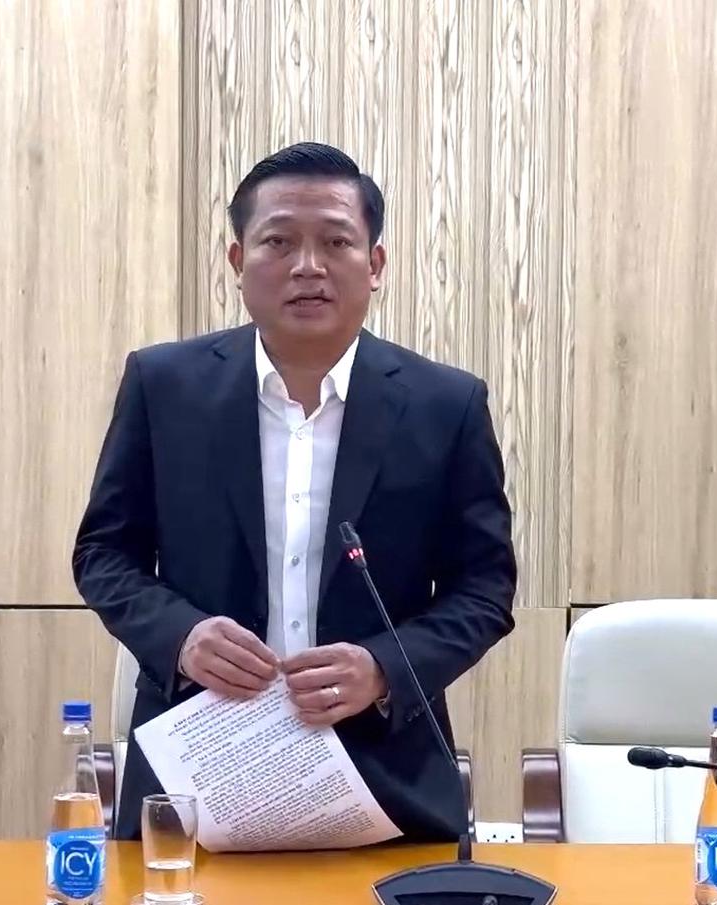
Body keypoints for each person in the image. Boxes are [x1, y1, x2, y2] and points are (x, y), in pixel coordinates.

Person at [73, 142, 516, 841]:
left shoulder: (445, 404)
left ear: (375, 264)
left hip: (386, 780)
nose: (308, 266)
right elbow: (103, 554)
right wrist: (182, 636)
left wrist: (384, 668)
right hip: (197, 773)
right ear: (237, 261)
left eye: (336, 241)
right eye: (278, 241)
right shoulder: (165, 387)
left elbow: (485, 587)